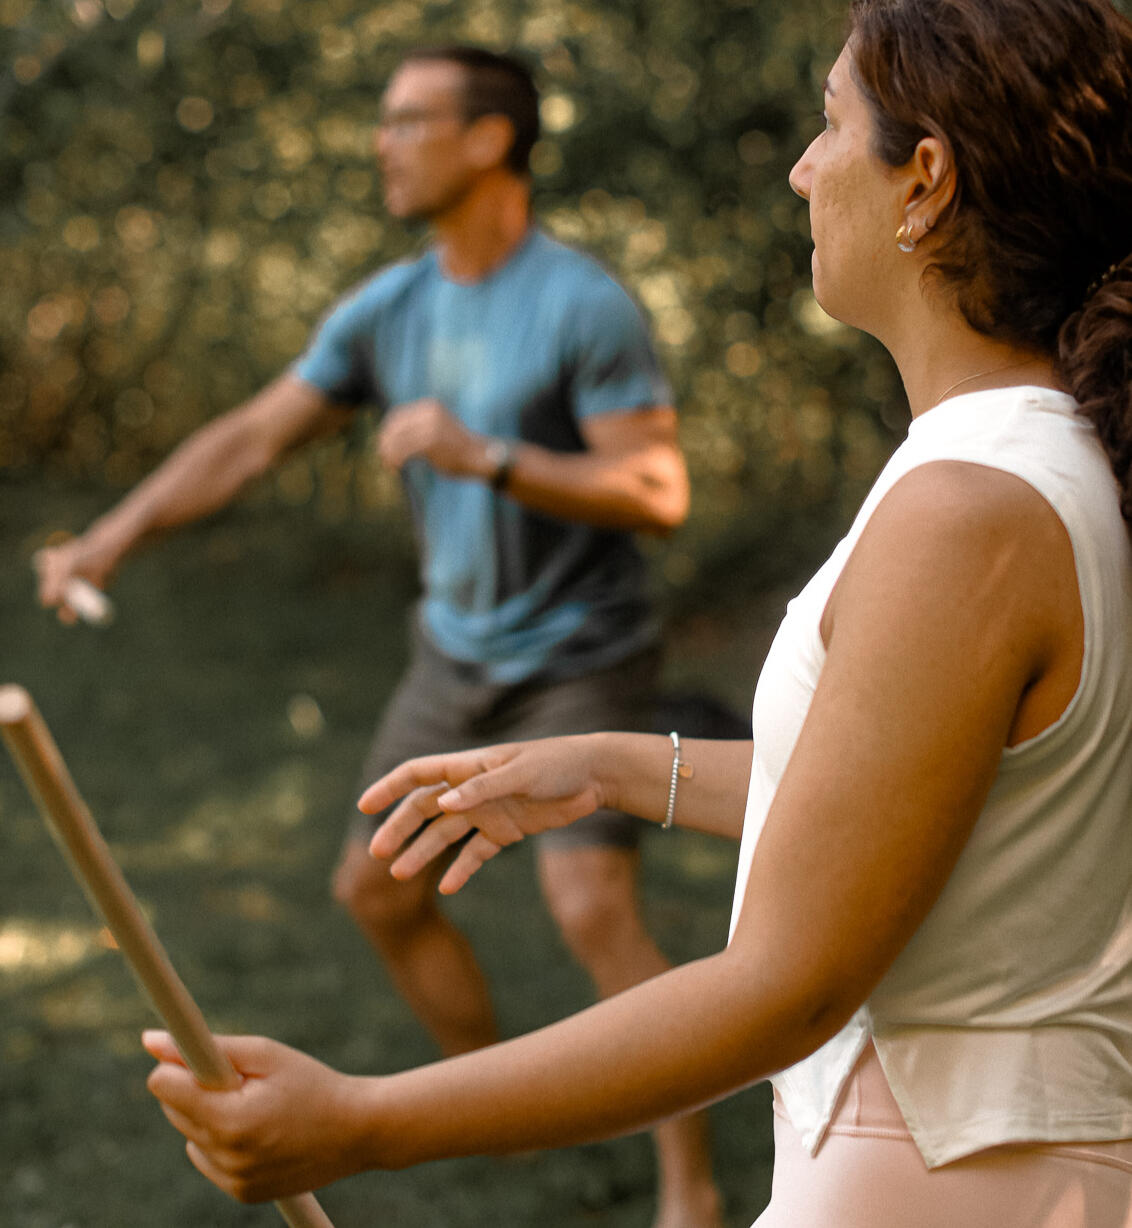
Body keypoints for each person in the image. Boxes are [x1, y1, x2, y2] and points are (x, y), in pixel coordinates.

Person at [144, 2, 1132, 1225]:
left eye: (829, 125)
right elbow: (905, 793)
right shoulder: (1043, 461)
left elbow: (786, 987)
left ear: (924, 180)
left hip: (937, 1186)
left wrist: (363, 1120)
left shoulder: (965, 511)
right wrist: (614, 767)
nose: (800, 169)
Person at [36, 45, 724, 1228]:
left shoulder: (582, 304)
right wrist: (110, 537)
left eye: (409, 120)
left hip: (578, 652)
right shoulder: (389, 308)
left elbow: (656, 490)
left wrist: (486, 455)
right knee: (376, 890)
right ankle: (504, 1106)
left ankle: (689, 1187)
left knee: (590, 908)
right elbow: (252, 435)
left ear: (488, 139)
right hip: (453, 654)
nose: (382, 141)